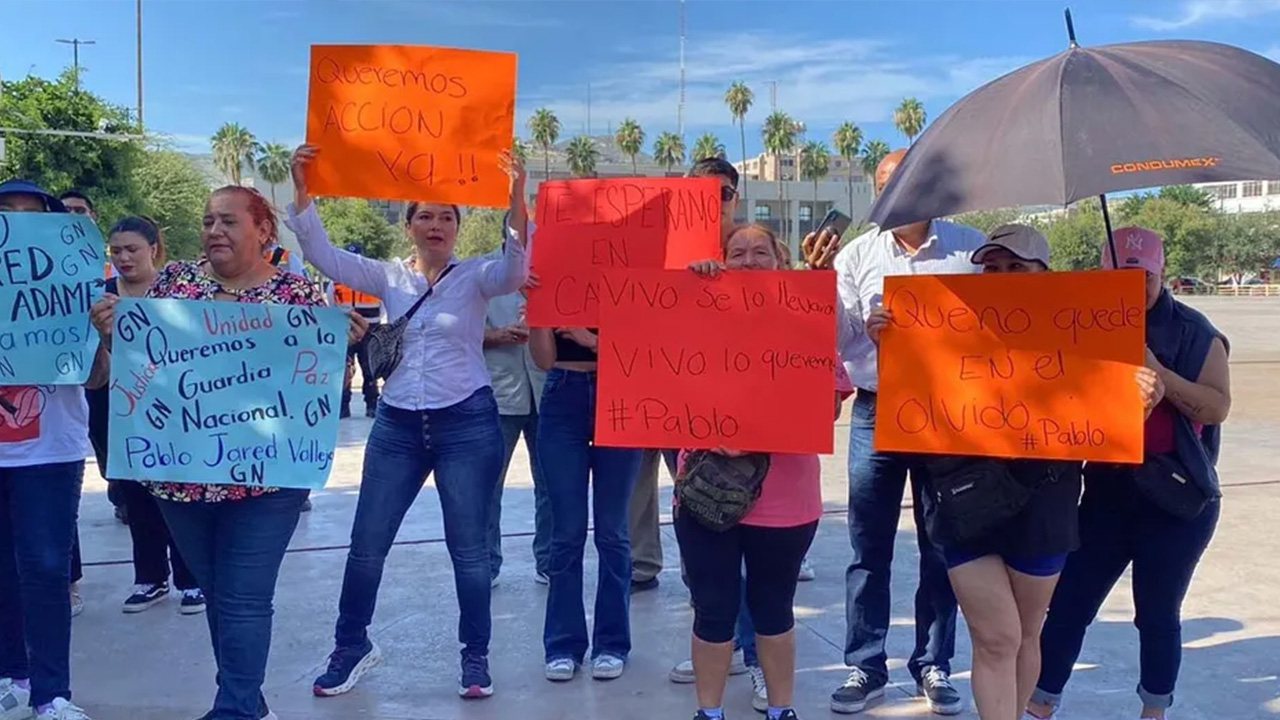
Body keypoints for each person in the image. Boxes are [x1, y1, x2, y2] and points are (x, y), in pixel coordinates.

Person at [89, 185, 366, 720]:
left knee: (243, 596)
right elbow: (147, 375)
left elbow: (311, 390)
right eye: (208, 221)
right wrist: (114, 336)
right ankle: (248, 701)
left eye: (228, 222)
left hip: (267, 480)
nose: (214, 231)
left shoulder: (298, 296)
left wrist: (340, 344)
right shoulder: (174, 284)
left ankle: (234, 707)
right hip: (180, 476)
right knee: (219, 592)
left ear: (263, 230)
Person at [866, 225, 1162, 720]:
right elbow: (912, 397)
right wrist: (889, 339)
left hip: (1045, 498)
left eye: (1016, 268)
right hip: (964, 496)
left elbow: (1114, 420)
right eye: (992, 267)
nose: (1001, 277)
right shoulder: (949, 322)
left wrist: (1143, 399)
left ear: (1045, 273)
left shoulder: (1084, 325)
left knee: (1026, 633)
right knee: (997, 635)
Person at [293, 145, 530, 700]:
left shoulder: (477, 277)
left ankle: (475, 657)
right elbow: (323, 254)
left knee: (469, 551)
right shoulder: (388, 277)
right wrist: (303, 190)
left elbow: (517, 268)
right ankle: (350, 646)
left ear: (457, 227)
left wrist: (518, 197)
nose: (436, 224)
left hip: (466, 424)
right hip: (397, 426)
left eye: (447, 216)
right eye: (425, 215)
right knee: (366, 544)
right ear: (409, 227)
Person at [1027, 228, 1230, 720]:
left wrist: (1158, 373)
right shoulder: (1083, 324)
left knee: (1157, 613)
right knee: (1070, 604)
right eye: (1118, 273)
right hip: (1107, 492)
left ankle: (1153, 710)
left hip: (1175, 497)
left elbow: (1217, 406)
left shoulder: (1193, 330)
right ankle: (1040, 702)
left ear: (1160, 274)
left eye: (1142, 274)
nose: (1131, 283)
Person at [826, 149, 983, 716]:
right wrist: (867, 332)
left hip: (949, 412)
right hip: (876, 408)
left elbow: (999, 327)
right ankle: (864, 664)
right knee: (869, 545)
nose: (897, 191)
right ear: (877, 191)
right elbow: (838, 345)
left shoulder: (971, 249)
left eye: (907, 179)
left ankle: (934, 663)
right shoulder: (855, 257)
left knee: (942, 543)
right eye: (885, 183)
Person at [677, 223, 849, 720]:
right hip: (705, 492)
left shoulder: (806, 321)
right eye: (736, 253)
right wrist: (693, 289)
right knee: (712, 608)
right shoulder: (696, 314)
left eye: (760, 252)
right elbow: (657, 372)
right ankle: (708, 712)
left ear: (780, 262)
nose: (749, 261)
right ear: (721, 260)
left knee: (775, 608)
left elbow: (829, 408)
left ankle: (780, 709)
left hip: (785, 495)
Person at [0, 179, 101, 720]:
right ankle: (9, 676)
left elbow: (99, 377)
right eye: (6, 212)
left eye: (30, 213)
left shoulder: (78, 286)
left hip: (49, 451)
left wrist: (100, 335)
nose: (18, 221)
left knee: (43, 567)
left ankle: (50, 693)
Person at [629, 156, 741, 595]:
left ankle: (702, 575)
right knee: (636, 485)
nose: (715, 203)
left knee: (701, 486)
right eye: (703, 194)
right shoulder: (656, 246)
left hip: (710, 392)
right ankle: (640, 566)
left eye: (724, 193)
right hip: (647, 382)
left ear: (736, 197)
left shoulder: (750, 248)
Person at [86, 216, 206, 616]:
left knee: (181, 493)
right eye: (116, 250)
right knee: (135, 495)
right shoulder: (100, 296)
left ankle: (192, 579)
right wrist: (104, 336)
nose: (123, 258)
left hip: (176, 407)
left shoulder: (178, 291)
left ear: (153, 249)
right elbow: (92, 365)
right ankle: (150, 578)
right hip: (119, 408)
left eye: (132, 249)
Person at [482, 263, 549, 586]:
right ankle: (486, 562)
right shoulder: (486, 274)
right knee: (489, 484)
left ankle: (549, 561)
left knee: (550, 484)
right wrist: (495, 335)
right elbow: (458, 329)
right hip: (500, 394)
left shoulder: (557, 272)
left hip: (547, 391)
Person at [331, 254, 384, 419]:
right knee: (344, 370)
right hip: (345, 331)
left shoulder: (373, 283)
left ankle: (372, 404)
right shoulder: (336, 283)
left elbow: (383, 306)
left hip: (369, 330)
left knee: (370, 370)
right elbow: (332, 305)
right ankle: (343, 406)